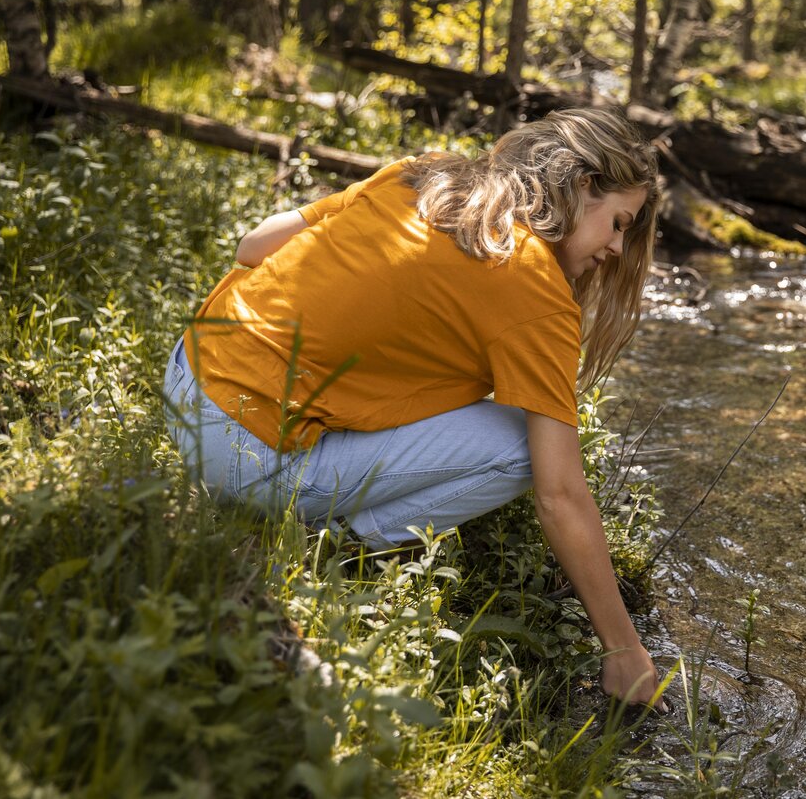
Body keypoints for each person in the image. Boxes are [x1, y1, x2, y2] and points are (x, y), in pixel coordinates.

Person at [162, 107, 664, 707]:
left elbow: (253, 247)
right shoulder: (534, 286)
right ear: (582, 186)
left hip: (187, 378)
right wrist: (623, 649)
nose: (615, 246)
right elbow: (560, 495)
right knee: (521, 448)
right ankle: (330, 545)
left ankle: (294, 505)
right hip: (238, 451)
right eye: (618, 223)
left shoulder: (425, 174)